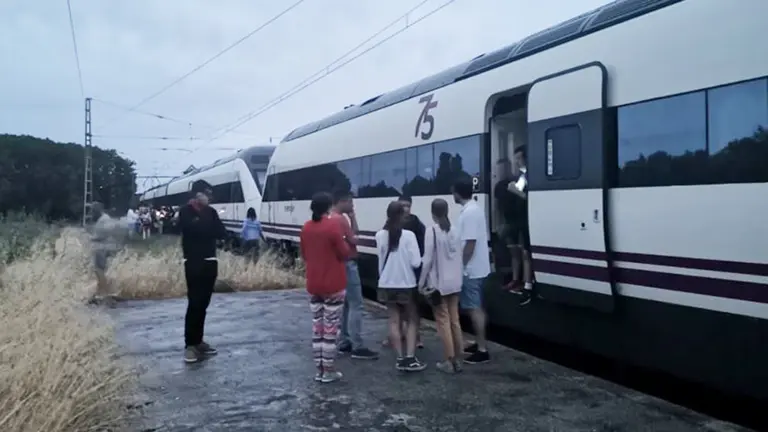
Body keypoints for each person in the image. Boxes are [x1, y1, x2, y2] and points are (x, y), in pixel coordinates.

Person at [300, 192, 352, 383]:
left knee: (318, 328)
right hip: (333, 284)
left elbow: (305, 254)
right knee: (331, 329)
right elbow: (344, 253)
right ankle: (329, 369)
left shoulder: (306, 228)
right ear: (329, 207)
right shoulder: (332, 226)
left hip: (314, 284)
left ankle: (319, 369)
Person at [178, 183, 228, 363]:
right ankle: (190, 345)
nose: (210, 197)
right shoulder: (185, 211)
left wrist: (205, 228)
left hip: (210, 261)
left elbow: (221, 232)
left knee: (204, 304)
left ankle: (199, 341)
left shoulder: (211, 212)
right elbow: (191, 230)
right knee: (194, 303)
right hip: (193, 262)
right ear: (197, 195)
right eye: (207, 194)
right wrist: (207, 229)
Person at [376, 201, 426, 372]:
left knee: (393, 321)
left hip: (386, 283)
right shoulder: (409, 236)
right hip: (406, 284)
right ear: (403, 216)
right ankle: (410, 358)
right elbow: (416, 262)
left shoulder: (380, 235)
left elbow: (380, 262)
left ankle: (399, 357)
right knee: (412, 320)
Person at [418, 198, 464, 373]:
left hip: (439, 284)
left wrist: (421, 283)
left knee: (443, 321)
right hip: (455, 282)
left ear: (432, 213)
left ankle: (449, 360)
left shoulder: (432, 231)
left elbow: (428, 260)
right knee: (455, 321)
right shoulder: (455, 231)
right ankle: (458, 359)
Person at [332, 190, 378, 360]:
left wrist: (352, 217)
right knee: (356, 304)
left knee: (344, 305)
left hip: (338, 265)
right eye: (351, 202)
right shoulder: (341, 219)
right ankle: (357, 345)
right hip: (349, 264)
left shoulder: (331, 218)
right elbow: (355, 238)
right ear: (342, 201)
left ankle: (344, 341)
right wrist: (352, 219)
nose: (353, 206)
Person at [453, 179, 492, 364]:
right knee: (475, 307)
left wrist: (460, 266)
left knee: (474, 308)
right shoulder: (473, 209)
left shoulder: (469, 213)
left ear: (457, 193)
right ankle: (479, 344)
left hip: (471, 269)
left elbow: (469, 243)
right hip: (478, 267)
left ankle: (482, 349)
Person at [507, 146, 534, 305]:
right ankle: (526, 283)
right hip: (523, 219)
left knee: (527, 253)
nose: (517, 162)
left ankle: (528, 287)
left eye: (519, 159)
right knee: (525, 252)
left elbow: (529, 197)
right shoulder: (523, 176)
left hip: (530, 218)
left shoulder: (532, 175)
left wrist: (515, 191)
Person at [494, 158, 523, 292]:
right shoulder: (498, 186)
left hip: (519, 221)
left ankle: (520, 280)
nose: (501, 171)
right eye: (500, 168)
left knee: (520, 252)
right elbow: (497, 207)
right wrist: (498, 224)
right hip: (507, 221)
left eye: (504, 168)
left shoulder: (518, 181)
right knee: (513, 252)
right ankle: (514, 279)